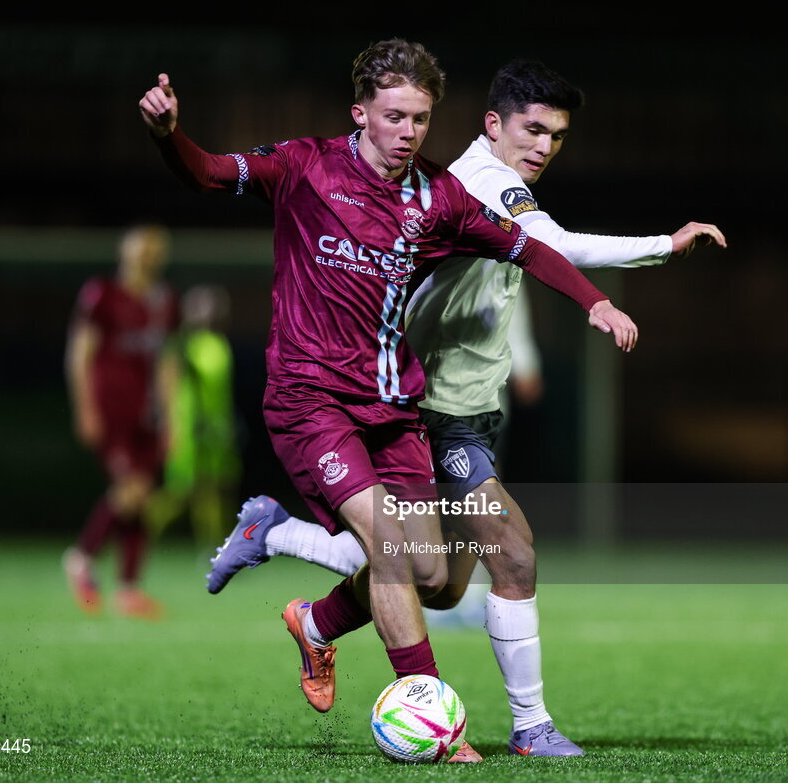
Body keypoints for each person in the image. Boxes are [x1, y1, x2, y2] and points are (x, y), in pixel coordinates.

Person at [207, 58, 726, 757]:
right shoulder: (479, 182)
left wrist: (532, 358)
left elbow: (503, 291)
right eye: (532, 130)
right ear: (493, 125)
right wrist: (661, 248)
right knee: (507, 554)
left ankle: (299, 585)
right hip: (427, 411)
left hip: (469, 411)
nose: (543, 146)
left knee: (442, 585)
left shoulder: (471, 188)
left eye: (556, 136)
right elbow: (551, 246)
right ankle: (525, 726)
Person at [63, 224, 179, 620]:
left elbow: (166, 363)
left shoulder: (165, 302)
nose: (146, 256)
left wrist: (173, 418)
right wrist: (85, 408)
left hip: (147, 414)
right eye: (139, 249)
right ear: (125, 253)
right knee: (129, 491)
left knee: (141, 497)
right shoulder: (103, 295)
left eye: (153, 250)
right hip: (112, 410)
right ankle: (81, 558)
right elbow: (80, 354)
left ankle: (128, 589)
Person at [145, 284, 242, 550]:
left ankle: (215, 548)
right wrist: (169, 423)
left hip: (217, 428)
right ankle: (137, 534)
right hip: (187, 427)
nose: (208, 312)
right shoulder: (181, 345)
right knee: (180, 492)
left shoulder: (220, 343)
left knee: (214, 489)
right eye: (201, 306)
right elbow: (165, 384)